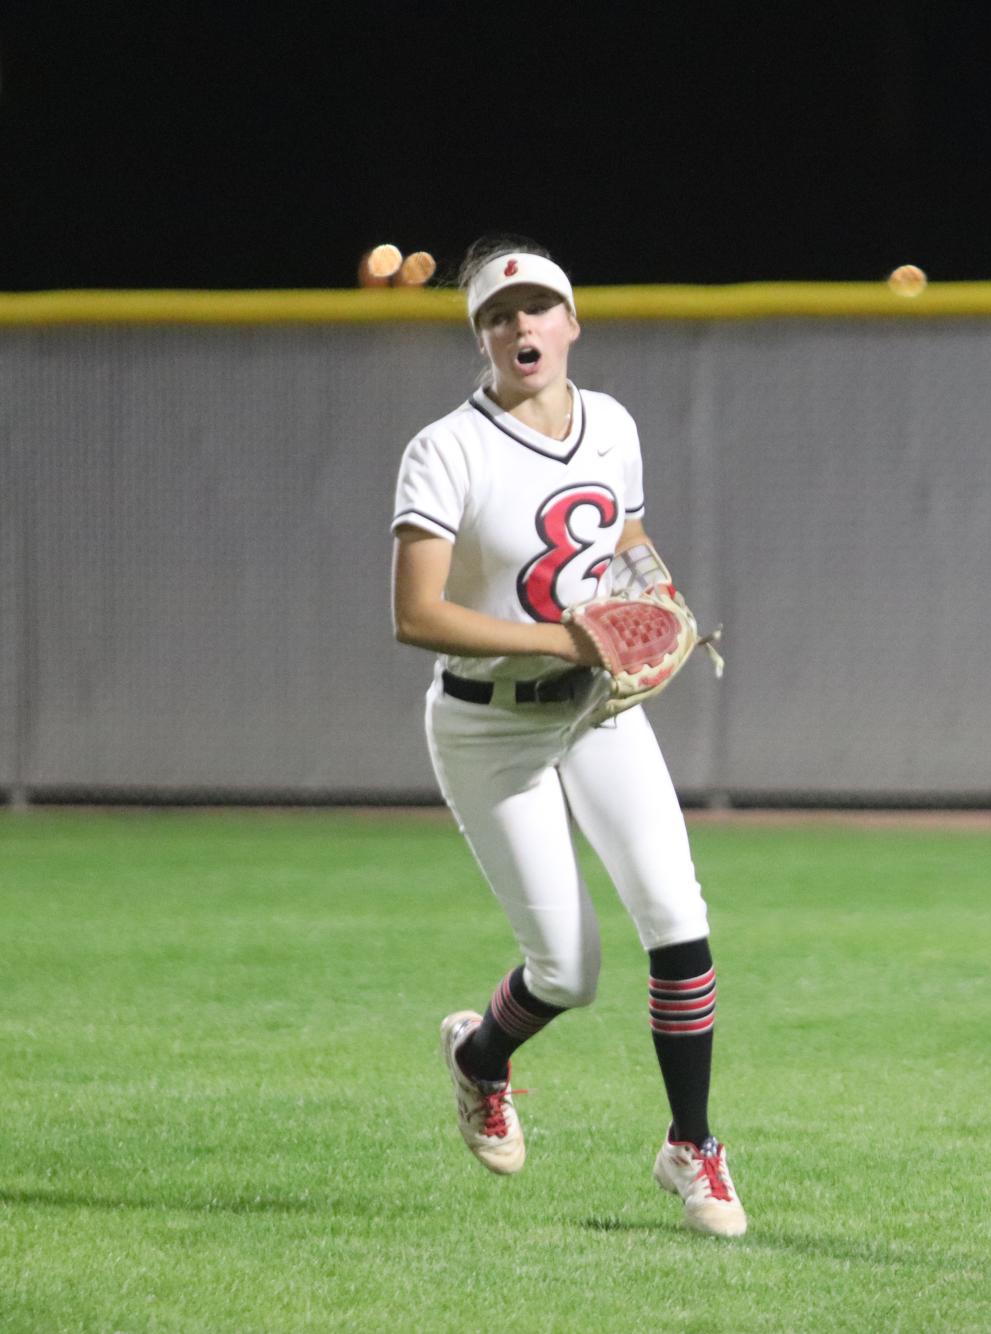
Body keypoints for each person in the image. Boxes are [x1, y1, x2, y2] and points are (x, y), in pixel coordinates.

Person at [390, 238, 746, 1237]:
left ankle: (692, 1144)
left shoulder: (613, 424)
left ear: (571, 323)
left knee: (677, 912)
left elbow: (622, 537)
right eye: (501, 315)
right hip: (486, 727)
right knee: (570, 970)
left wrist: (658, 600)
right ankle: (479, 1056)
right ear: (482, 337)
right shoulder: (446, 448)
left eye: (540, 308)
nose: (521, 326)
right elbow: (415, 613)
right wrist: (564, 633)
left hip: (595, 708)